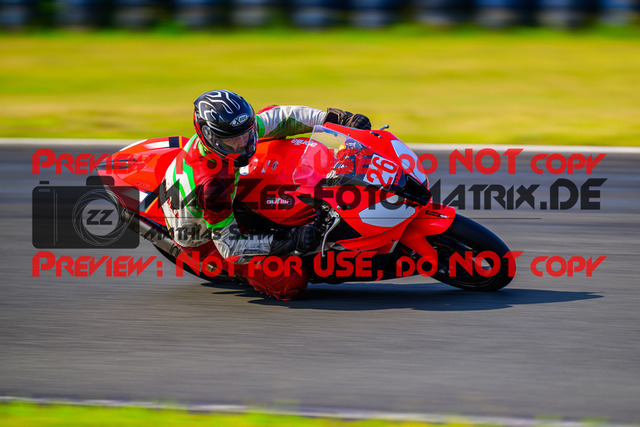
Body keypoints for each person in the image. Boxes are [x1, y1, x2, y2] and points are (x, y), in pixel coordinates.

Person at [159, 89, 371, 300]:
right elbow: (231, 247)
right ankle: (246, 275)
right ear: (210, 137)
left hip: (223, 198)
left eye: (246, 134)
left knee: (273, 122)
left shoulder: (233, 135)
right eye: (233, 140)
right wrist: (290, 240)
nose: (242, 144)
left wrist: (336, 120)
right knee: (291, 282)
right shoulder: (213, 187)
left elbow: (282, 117)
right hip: (207, 240)